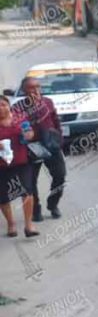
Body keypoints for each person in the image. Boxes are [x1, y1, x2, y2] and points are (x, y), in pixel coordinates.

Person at [12, 77, 66, 221]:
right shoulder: (17, 107)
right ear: (24, 90)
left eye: (38, 86)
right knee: (30, 181)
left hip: (51, 146)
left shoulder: (47, 102)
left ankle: (53, 204)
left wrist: (59, 139)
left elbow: (55, 121)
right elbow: (16, 127)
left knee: (60, 176)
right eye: (31, 87)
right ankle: (36, 210)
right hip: (31, 149)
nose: (36, 90)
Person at [0, 96, 38, 237]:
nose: (1, 108)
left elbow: (30, 132)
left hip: (21, 162)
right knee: (3, 197)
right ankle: (11, 224)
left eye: (3, 104)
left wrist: (28, 134)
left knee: (27, 191)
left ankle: (29, 225)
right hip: (2, 165)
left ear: (9, 106)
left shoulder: (19, 118)